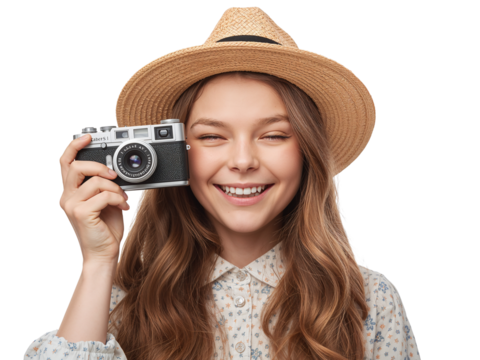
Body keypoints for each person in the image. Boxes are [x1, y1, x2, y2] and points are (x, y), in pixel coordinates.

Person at [23, 6, 422, 360]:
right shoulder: (115, 302)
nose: (244, 161)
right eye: (213, 136)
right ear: (176, 154)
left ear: (307, 153)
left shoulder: (370, 301)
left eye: (274, 135)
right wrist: (96, 264)